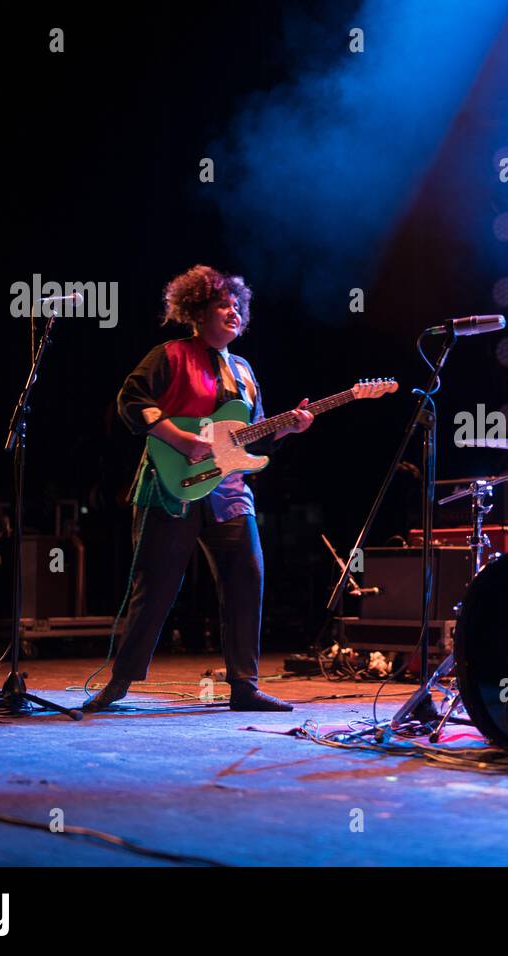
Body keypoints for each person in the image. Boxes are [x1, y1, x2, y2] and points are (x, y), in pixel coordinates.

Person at [82, 265, 313, 712]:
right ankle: (120, 682)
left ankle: (244, 686)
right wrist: (181, 438)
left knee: (247, 577)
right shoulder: (169, 355)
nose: (232, 312)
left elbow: (256, 435)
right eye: (222, 304)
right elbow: (131, 401)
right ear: (197, 311)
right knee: (156, 585)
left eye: (236, 305)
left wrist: (289, 428)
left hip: (229, 492)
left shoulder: (244, 371)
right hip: (171, 487)